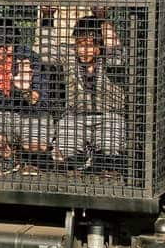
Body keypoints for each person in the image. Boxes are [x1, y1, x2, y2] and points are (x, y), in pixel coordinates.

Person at [0, 16, 54, 176]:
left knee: (37, 145)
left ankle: (31, 160)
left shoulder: (29, 61)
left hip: (32, 114)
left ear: (9, 48)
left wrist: (25, 90)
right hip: (2, 115)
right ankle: (11, 158)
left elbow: (43, 103)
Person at [53, 16, 126, 173]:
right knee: (66, 149)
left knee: (109, 149)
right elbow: (46, 53)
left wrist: (103, 22)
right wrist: (47, 19)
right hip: (76, 116)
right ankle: (80, 160)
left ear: (100, 46)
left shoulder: (110, 60)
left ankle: (102, 160)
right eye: (79, 45)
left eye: (89, 45)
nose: (83, 50)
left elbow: (117, 57)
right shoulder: (69, 57)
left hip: (108, 116)